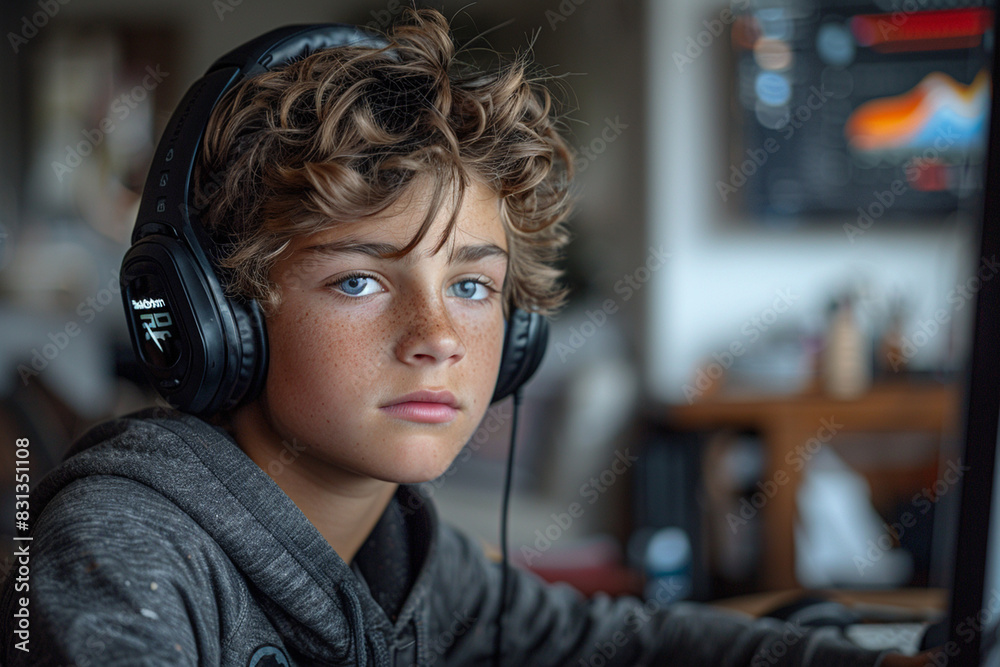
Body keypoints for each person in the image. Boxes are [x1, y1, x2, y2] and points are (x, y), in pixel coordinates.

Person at [0, 7, 935, 666]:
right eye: (361, 279)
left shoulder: (405, 554)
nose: (439, 336)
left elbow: (616, 643)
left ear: (519, 328)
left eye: (474, 285)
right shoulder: (122, 551)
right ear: (221, 316)